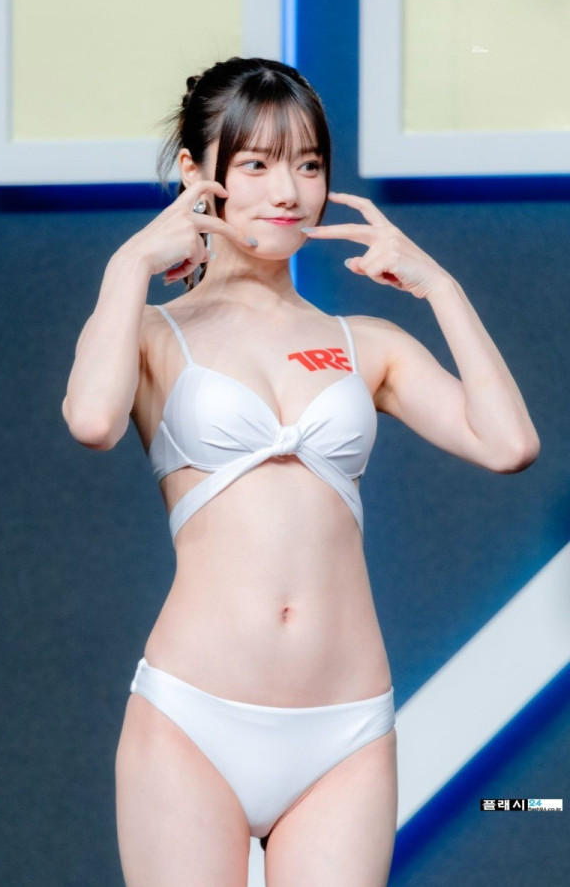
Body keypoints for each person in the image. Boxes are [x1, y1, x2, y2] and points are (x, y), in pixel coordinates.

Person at [62, 57, 540, 887]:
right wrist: (129, 264)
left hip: (345, 732)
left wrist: (438, 286)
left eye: (309, 165)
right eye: (256, 164)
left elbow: (508, 445)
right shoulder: (147, 333)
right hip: (193, 719)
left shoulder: (366, 343)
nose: (287, 191)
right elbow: (93, 421)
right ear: (197, 173)